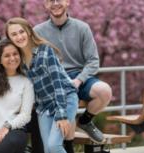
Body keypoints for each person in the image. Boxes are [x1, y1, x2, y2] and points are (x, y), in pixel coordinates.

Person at [34, 0, 112, 148]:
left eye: (59, 0)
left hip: (79, 76)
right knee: (69, 101)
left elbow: (93, 61)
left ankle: (85, 121)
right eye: (51, 1)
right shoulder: (38, 31)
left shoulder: (82, 28)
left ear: (67, 2)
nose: (55, 3)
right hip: (55, 79)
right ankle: (68, 147)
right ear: (45, 5)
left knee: (105, 91)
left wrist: (79, 80)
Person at [5, 17, 78, 153]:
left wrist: (62, 115)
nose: (19, 37)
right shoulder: (18, 61)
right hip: (44, 107)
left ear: (29, 32)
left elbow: (58, 84)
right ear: (10, 38)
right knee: (47, 150)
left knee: (54, 146)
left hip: (64, 100)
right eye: (14, 34)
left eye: (21, 32)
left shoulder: (45, 51)